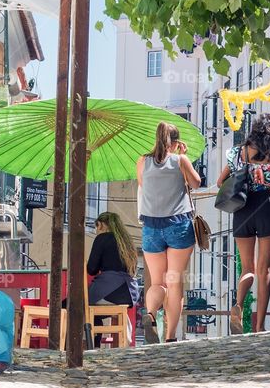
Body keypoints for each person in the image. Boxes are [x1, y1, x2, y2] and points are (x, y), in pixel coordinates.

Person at [216, 114, 270, 334]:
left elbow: (220, 183)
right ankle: (260, 326)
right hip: (266, 208)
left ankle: (238, 304)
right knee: (264, 270)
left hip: (242, 210)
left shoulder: (236, 154)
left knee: (247, 268)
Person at [137, 121, 201, 344]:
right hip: (178, 225)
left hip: (151, 227)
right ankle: (171, 337)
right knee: (174, 282)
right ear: (175, 143)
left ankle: (151, 314)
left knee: (157, 283)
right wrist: (185, 158)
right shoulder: (180, 160)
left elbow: (144, 186)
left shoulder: (142, 161)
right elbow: (196, 183)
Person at [85, 212, 140, 347]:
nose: (96, 230)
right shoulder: (127, 241)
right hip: (128, 293)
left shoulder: (102, 238)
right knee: (94, 309)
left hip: (110, 291)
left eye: (97, 226)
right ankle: (99, 343)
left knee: (77, 305)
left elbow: (91, 269)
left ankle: (91, 344)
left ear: (103, 224)